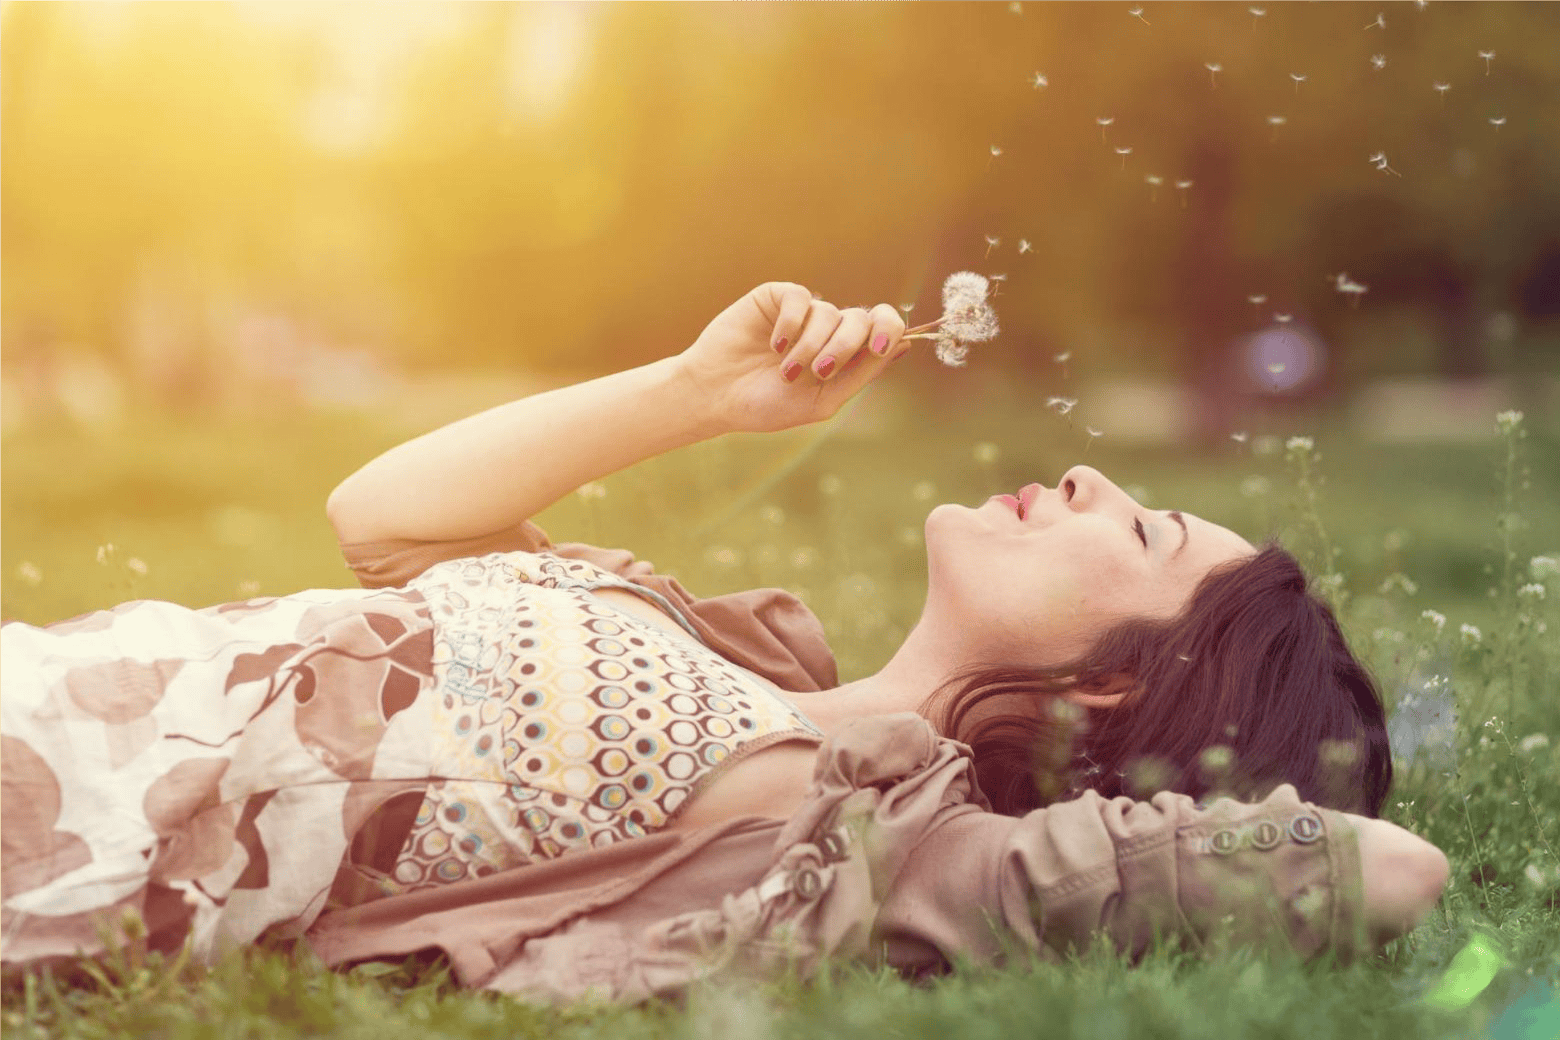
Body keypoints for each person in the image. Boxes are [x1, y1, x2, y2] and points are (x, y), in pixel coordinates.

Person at [1, 282, 1447, 1001]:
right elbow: (385, 518)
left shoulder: (892, 848)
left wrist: (1162, 837)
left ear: (1123, 681)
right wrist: (699, 390)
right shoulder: (717, 643)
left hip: (79, 834)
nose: (1089, 480)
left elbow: (1393, 872)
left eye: (1141, 535)